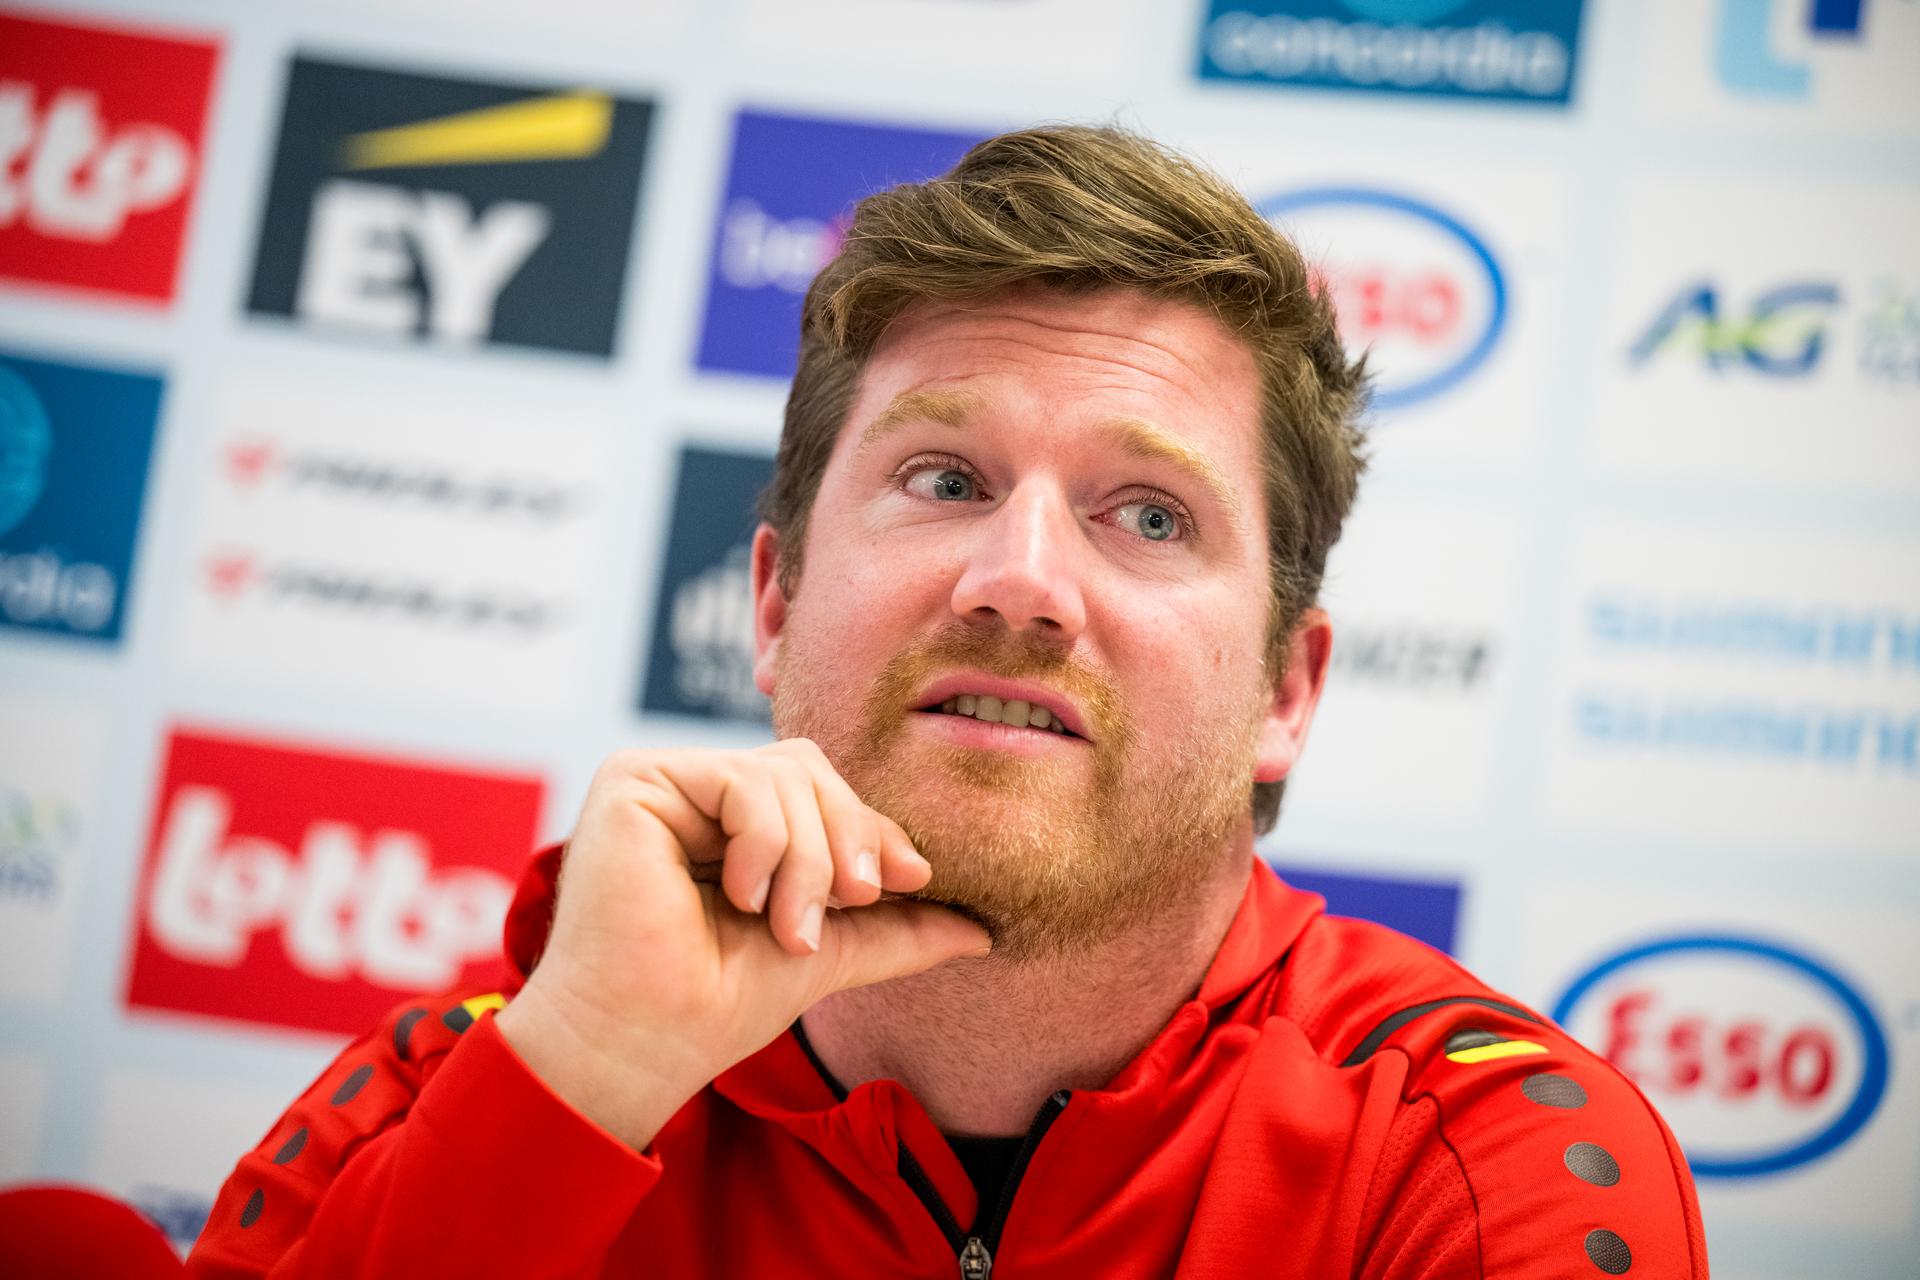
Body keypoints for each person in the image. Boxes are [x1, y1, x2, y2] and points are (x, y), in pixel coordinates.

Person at [187, 126, 1707, 1279]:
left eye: (1152, 516)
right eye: (944, 479)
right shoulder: (467, 1091)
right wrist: (577, 1083)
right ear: (775, 606)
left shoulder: (1472, 1163)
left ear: (1283, 693)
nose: (1019, 579)